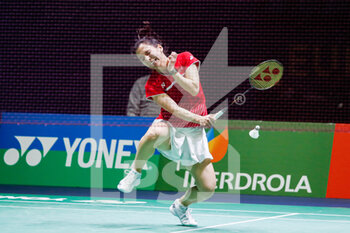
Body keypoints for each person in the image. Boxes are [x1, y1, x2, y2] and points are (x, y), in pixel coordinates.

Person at [118, 22, 216, 226]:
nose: (146, 58)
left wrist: (173, 73)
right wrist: (199, 118)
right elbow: (174, 110)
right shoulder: (152, 83)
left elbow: (193, 89)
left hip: (194, 134)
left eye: (147, 52)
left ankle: (181, 206)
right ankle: (135, 173)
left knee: (207, 189)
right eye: (141, 58)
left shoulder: (184, 58)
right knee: (154, 133)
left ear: (159, 47)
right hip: (171, 128)